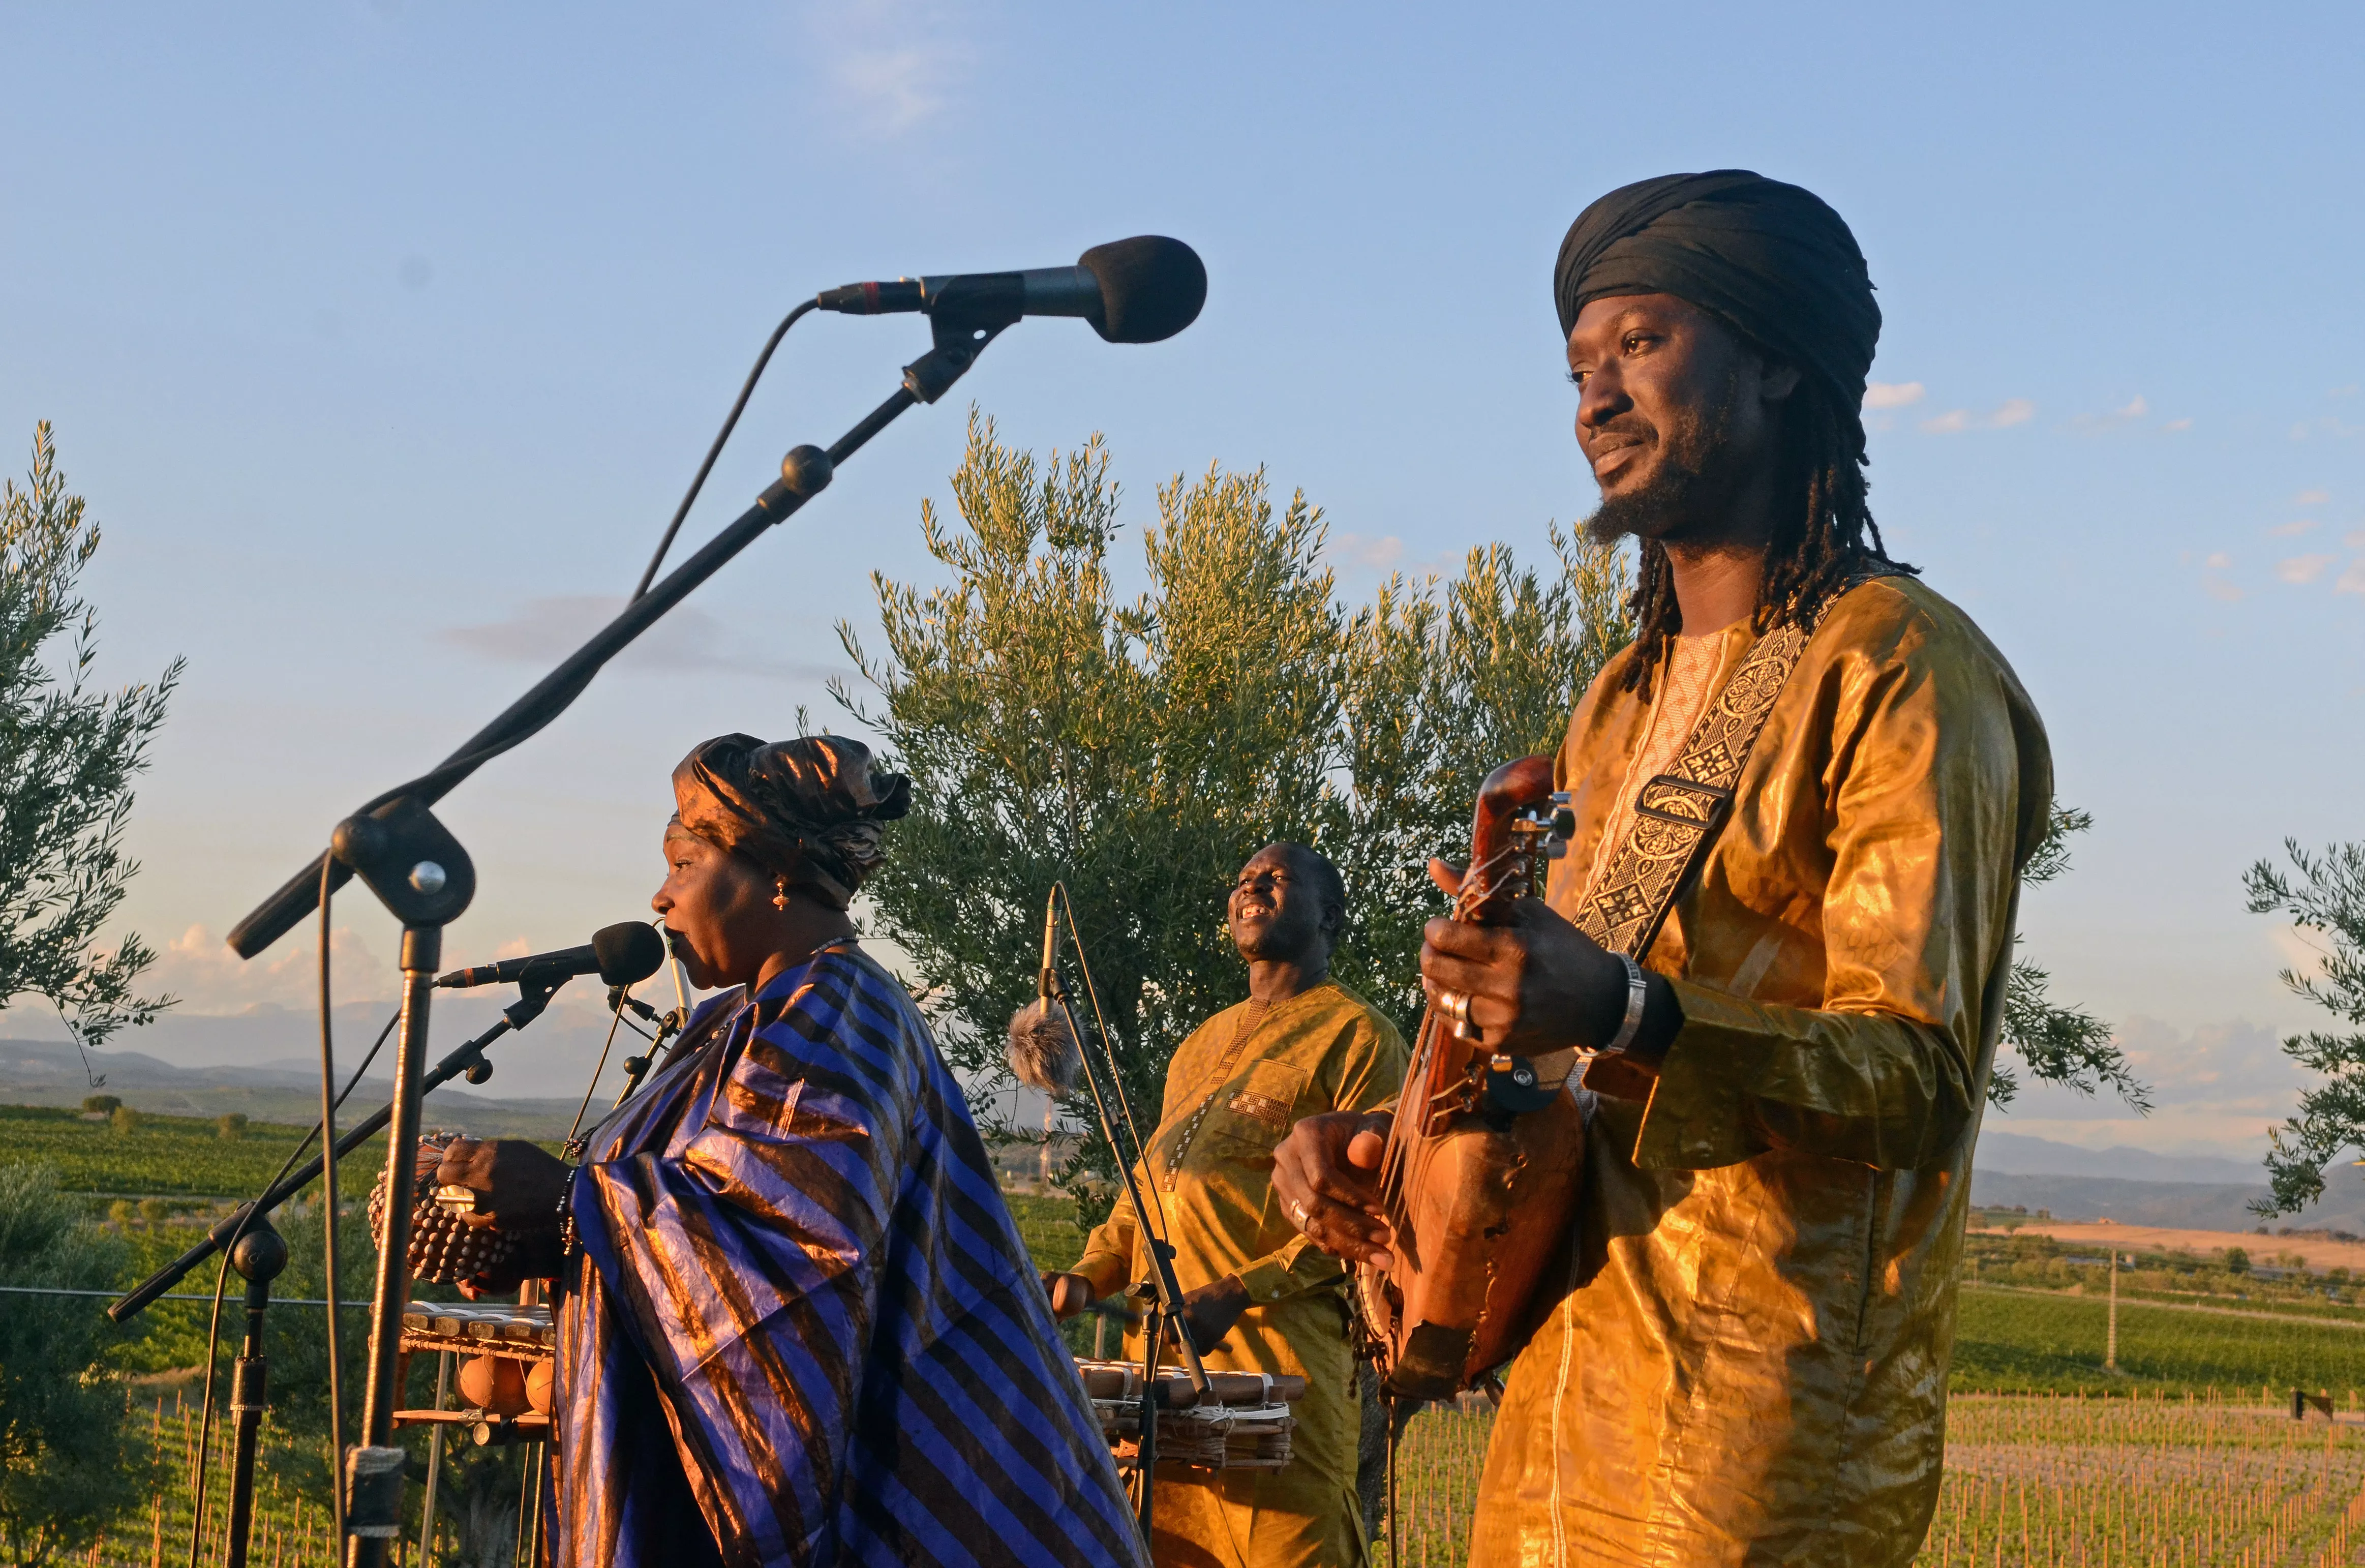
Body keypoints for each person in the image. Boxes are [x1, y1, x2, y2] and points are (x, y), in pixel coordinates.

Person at [1273, 171, 2053, 1568]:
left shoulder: (1898, 670)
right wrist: (1392, 1163)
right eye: (1579, 364)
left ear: (1770, 360)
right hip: (1558, 1407)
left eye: (1638, 342)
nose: (1592, 397)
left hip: (1763, 1436)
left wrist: (1630, 1011)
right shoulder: (1617, 705)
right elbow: (1559, 1076)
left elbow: (1919, 1082)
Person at [432, 733, 1145, 1568]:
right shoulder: (731, 1024)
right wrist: (543, 1236)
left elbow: (791, 1251)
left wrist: (568, 1201)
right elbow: (690, 1208)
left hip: (902, 1498)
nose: (659, 899)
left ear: (773, 872)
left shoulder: (839, 1011)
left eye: (683, 865)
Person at [1043, 845, 1407, 1568]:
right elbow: (1147, 1191)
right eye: (1243, 879)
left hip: (1284, 1380)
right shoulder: (1196, 1046)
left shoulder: (1361, 1038)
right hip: (1166, 1387)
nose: (1250, 887)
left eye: (1276, 879)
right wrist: (1088, 1277)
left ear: (1328, 915)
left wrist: (1242, 1291)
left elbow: (1372, 1218)